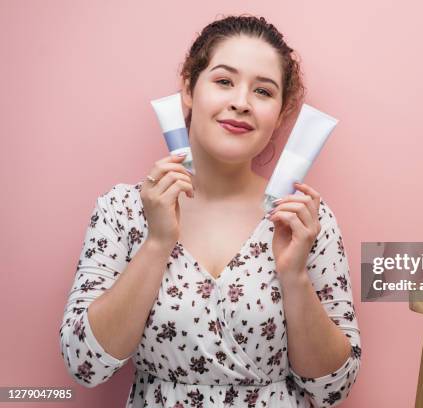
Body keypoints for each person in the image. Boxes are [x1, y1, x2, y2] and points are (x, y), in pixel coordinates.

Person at [59, 15, 361, 408]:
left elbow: (333, 389)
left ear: (282, 113)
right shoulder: (122, 210)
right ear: (189, 87)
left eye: (264, 92)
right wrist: (157, 243)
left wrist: (295, 276)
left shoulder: (302, 220)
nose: (240, 102)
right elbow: (84, 365)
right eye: (223, 81)